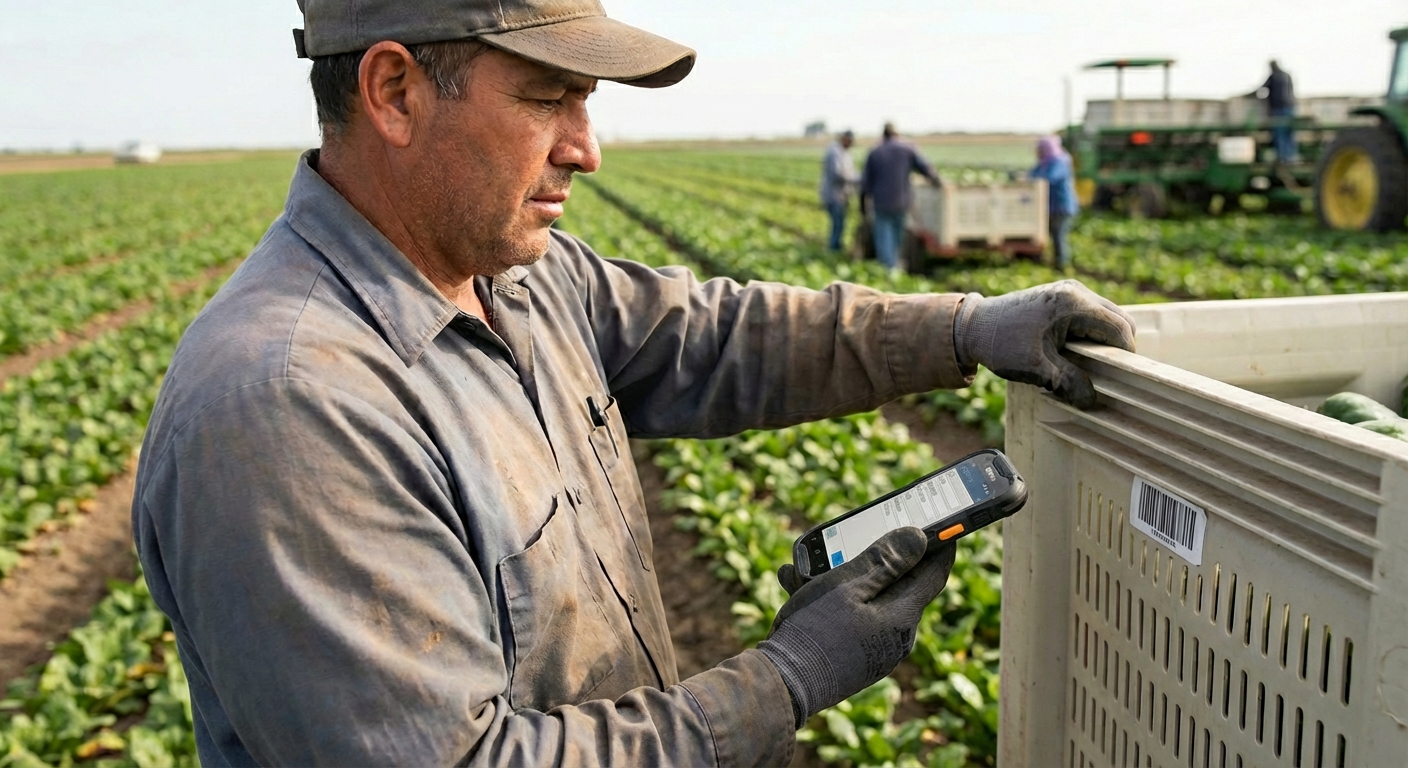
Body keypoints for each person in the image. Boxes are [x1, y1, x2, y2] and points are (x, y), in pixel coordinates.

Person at [129, 1, 1138, 765]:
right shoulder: (288, 406)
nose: (587, 147)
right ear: (394, 93)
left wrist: (962, 328)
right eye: (544, 98)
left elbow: (712, 339)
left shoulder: (513, 272)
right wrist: (784, 679)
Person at [861, 122, 941, 274]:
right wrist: (935, 179)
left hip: (882, 202)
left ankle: (887, 268)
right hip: (902, 201)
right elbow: (925, 167)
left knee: (884, 235)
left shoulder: (875, 151)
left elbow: (866, 182)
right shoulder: (907, 148)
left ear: (884, 135)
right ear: (896, 134)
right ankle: (895, 265)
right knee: (897, 234)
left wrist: (863, 203)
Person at [1030, 135, 1080, 271]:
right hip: (1050, 207)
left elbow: (1049, 178)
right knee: (1050, 234)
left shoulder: (1060, 161)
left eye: (1040, 149)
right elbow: (1033, 174)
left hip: (1062, 206)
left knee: (1058, 235)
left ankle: (1062, 265)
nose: (1038, 152)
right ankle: (1052, 261)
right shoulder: (1045, 162)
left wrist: (1032, 178)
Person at [820, 130, 859, 251]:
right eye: (850, 141)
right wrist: (855, 179)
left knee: (840, 223)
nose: (851, 144)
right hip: (834, 195)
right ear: (844, 139)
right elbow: (837, 174)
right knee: (837, 223)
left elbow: (851, 171)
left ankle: (836, 245)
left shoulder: (845, 153)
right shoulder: (834, 152)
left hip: (841, 195)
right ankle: (833, 248)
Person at [1256, 60, 1297, 163]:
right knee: (1289, 133)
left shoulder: (1273, 76)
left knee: (1280, 133)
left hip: (1278, 109)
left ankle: (1284, 158)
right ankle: (1291, 157)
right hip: (1290, 108)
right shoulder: (1287, 75)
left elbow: (1261, 89)